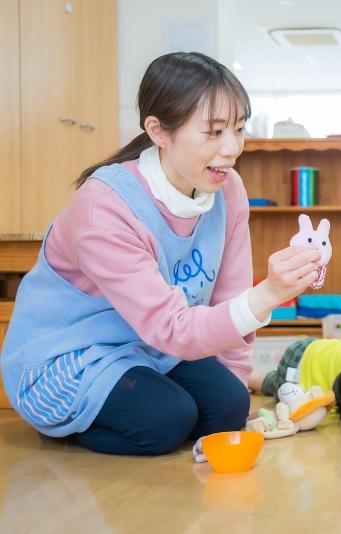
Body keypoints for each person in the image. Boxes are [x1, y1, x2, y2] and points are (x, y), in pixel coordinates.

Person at [0, 52, 322, 456]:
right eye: (214, 132)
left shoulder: (229, 190)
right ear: (158, 131)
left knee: (227, 404)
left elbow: (228, 294)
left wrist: (234, 390)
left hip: (148, 347)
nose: (232, 147)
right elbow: (174, 327)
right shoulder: (105, 205)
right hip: (69, 357)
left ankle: (149, 403)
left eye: (238, 129)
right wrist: (269, 294)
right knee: (165, 420)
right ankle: (69, 421)